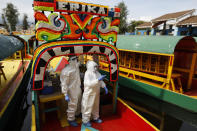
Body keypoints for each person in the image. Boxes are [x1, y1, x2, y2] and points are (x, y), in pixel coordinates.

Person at [82, 60, 108, 127]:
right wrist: (98, 80)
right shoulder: (87, 73)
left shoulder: (97, 73)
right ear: (91, 66)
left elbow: (101, 81)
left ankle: (96, 118)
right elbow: (88, 84)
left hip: (96, 93)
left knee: (96, 106)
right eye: (95, 67)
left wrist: (104, 86)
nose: (96, 68)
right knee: (87, 107)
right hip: (89, 94)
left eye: (96, 67)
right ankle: (85, 121)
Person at [60, 56, 82, 127]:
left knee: (79, 102)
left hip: (78, 88)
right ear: (69, 61)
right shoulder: (66, 71)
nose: (76, 60)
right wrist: (65, 94)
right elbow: (64, 83)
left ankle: (77, 113)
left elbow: (80, 62)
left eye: (76, 58)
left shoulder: (76, 67)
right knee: (72, 104)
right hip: (71, 90)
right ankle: (71, 119)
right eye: (74, 59)